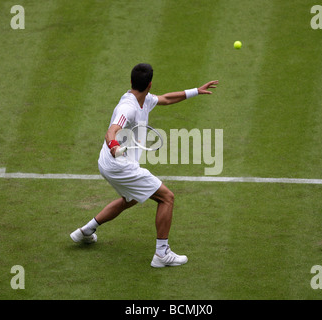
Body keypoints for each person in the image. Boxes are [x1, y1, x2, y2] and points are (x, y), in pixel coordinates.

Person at [70, 63, 218, 267]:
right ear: (149, 84)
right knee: (167, 197)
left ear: (132, 82)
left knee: (130, 199)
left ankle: (86, 230)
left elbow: (166, 98)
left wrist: (196, 91)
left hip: (107, 162)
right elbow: (111, 131)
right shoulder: (128, 107)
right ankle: (162, 254)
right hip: (119, 165)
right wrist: (114, 146)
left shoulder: (145, 99)